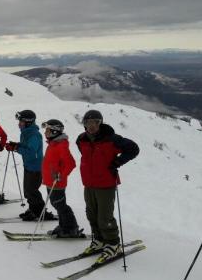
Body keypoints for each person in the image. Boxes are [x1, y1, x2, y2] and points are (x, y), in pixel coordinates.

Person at [76, 109, 139, 263]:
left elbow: (133, 149)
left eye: (95, 123)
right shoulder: (81, 140)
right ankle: (99, 240)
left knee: (104, 217)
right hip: (89, 184)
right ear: (84, 124)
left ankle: (113, 244)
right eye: (88, 123)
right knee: (91, 214)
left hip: (106, 184)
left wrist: (117, 162)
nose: (91, 126)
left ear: (100, 123)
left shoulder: (111, 139)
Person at [6, 110, 54, 221]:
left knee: (32, 191)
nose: (19, 124)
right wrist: (16, 145)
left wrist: (16, 148)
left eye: (21, 122)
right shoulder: (27, 132)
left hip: (35, 168)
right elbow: (26, 146)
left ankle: (40, 212)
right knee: (28, 191)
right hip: (29, 166)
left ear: (27, 122)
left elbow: (32, 152)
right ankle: (33, 209)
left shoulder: (34, 135)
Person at [40, 119, 84, 237]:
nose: (45, 133)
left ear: (55, 131)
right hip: (50, 181)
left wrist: (61, 175)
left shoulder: (61, 146)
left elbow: (71, 163)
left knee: (60, 205)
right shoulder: (53, 144)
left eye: (48, 130)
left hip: (57, 183)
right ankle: (64, 226)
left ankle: (71, 228)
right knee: (56, 204)